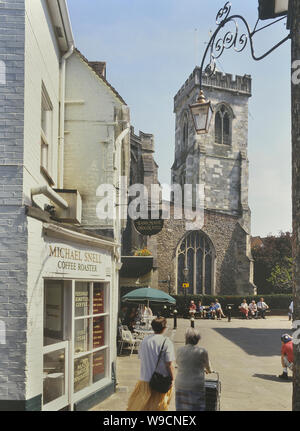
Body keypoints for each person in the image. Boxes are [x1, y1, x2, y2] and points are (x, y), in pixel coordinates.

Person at [127, 317, 175, 411]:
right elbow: (169, 364)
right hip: (160, 382)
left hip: (144, 381)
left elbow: (141, 357)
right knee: (158, 407)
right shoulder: (166, 342)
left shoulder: (145, 340)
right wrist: (173, 379)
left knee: (141, 407)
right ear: (164, 328)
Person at [175, 328, 212, 411]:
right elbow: (208, 367)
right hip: (196, 385)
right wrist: (208, 371)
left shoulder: (180, 350)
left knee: (181, 408)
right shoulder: (202, 351)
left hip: (181, 384)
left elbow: (177, 362)